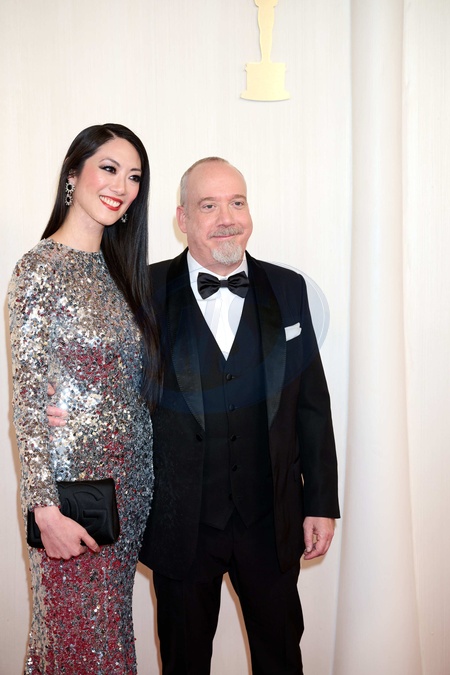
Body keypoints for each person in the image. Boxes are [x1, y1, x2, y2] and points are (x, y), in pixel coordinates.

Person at [49, 156, 340, 674]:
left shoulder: (289, 289)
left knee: (281, 658)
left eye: (237, 202)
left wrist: (320, 502)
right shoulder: (140, 290)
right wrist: (67, 400)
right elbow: (106, 383)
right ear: (182, 218)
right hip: (180, 524)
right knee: (184, 662)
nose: (227, 218)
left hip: (271, 520)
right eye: (209, 206)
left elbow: (312, 406)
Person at [8, 123, 161, 674]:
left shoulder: (122, 274)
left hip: (130, 490)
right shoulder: (38, 268)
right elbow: (26, 400)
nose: (122, 186)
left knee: (109, 639)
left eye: (134, 177)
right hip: (71, 496)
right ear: (73, 174)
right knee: (74, 643)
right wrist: (43, 508)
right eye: (109, 168)